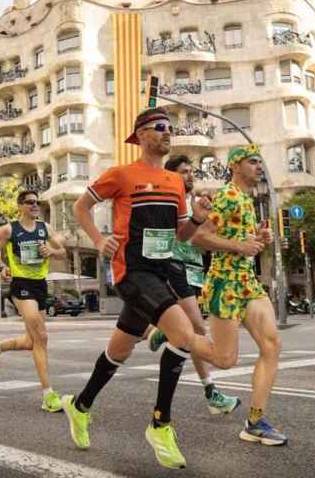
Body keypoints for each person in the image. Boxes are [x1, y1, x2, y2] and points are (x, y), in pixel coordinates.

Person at [59, 107, 230, 470]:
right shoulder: (121, 175)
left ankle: (80, 405)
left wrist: (198, 217)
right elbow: (81, 205)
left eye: (170, 128)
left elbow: (182, 234)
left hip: (161, 271)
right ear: (139, 136)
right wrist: (97, 238)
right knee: (182, 335)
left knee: (117, 351)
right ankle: (160, 423)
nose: (168, 133)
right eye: (159, 127)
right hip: (132, 272)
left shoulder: (174, 183)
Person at [190, 144, 285, 446]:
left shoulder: (247, 199)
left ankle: (255, 422)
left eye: (260, 162)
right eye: (253, 161)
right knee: (225, 360)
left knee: (271, 346)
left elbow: (239, 238)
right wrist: (242, 247)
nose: (259, 166)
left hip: (247, 282)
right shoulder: (228, 196)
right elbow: (199, 238)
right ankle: (173, 334)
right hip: (225, 282)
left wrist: (259, 238)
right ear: (235, 166)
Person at [145, 155, 240, 415]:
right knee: (197, 328)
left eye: (191, 171)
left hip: (194, 269)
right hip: (173, 265)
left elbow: (203, 235)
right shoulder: (167, 200)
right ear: (172, 175)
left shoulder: (195, 202)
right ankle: (211, 391)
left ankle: (210, 393)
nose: (190, 176)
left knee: (183, 334)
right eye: (184, 172)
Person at [0, 189, 67, 413]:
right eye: (30, 202)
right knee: (42, 337)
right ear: (20, 206)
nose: (34, 206)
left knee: (33, 341)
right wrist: (2, 267)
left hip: (41, 284)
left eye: (36, 203)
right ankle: (48, 394)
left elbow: (62, 252)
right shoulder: (9, 229)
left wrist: (51, 250)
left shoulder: (45, 228)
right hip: (21, 285)